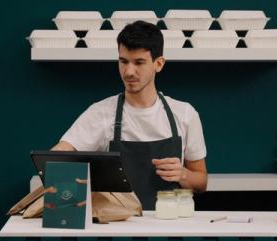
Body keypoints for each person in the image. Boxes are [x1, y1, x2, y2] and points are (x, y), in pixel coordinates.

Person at [51, 21, 207, 210]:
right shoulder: (100, 113)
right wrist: (62, 164)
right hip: (116, 226)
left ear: (159, 64)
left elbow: (201, 183)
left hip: (169, 223)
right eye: (123, 61)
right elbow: (59, 155)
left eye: (139, 62)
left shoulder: (184, 114)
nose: (129, 71)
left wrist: (182, 174)